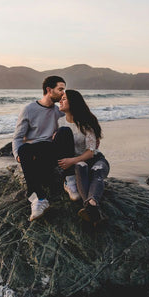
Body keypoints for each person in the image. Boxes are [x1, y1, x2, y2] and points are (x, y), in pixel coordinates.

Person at [12, 76, 66, 221]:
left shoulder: (60, 111)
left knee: (55, 138)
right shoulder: (29, 109)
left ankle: (37, 197)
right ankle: (39, 199)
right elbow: (17, 138)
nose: (63, 93)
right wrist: (18, 156)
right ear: (49, 90)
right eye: (60, 89)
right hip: (35, 153)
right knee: (24, 150)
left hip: (51, 152)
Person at [56, 89, 110, 225]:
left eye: (64, 98)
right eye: (60, 98)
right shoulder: (60, 123)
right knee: (81, 167)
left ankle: (90, 206)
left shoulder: (87, 122)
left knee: (97, 171)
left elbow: (91, 152)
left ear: (73, 102)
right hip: (78, 164)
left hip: (95, 159)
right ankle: (93, 208)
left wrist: (71, 161)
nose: (60, 101)